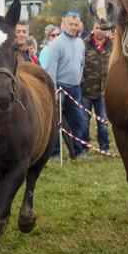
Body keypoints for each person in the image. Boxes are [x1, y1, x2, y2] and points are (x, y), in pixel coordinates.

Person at [44, 12, 87, 159]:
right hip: (60, 88)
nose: (73, 27)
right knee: (57, 122)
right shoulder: (57, 44)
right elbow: (51, 69)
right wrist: (54, 90)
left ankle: (77, 151)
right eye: (71, 24)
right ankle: (55, 153)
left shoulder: (80, 43)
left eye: (76, 25)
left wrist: (78, 80)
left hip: (75, 89)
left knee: (79, 121)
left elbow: (82, 64)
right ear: (64, 24)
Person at [80, 24, 111, 153]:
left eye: (103, 29)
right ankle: (84, 147)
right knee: (84, 122)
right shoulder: (84, 44)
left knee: (103, 122)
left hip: (104, 92)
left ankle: (104, 147)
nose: (100, 31)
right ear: (93, 28)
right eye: (98, 28)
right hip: (85, 90)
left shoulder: (113, 46)